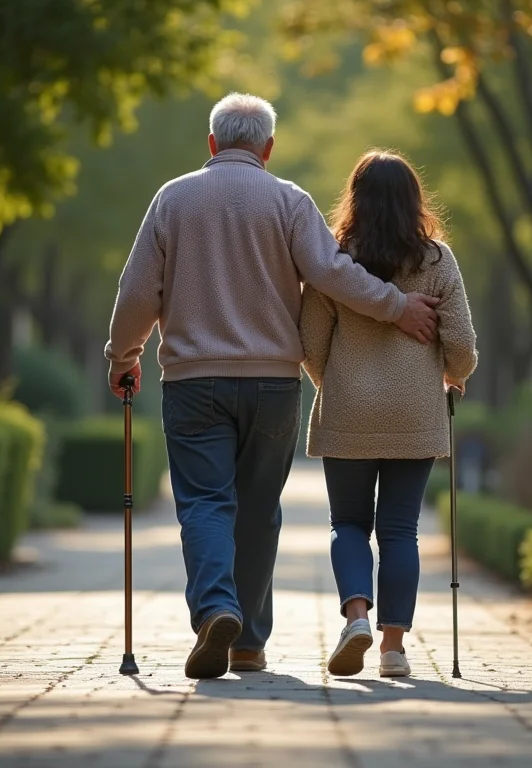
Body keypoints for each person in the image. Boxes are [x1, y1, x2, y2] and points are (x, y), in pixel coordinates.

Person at [105, 94, 441, 680]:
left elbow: (138, 292)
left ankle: (217, 608)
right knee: (258, 510)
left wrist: (122, 356)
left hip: (193, 380)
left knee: (207, 503)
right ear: (268, 147)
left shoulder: (172, 199)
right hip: (273, 386)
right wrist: (396, 307)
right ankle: (248, 644)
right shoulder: (289, 200)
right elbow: (333, 273)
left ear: (212, 144)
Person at [299, 150, 478, 678]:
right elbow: (462, 346)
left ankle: (356, 614)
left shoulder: (335, 262)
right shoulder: (437, 261)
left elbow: (310, 343)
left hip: (349, 408)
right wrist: (454, 373)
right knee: (400, 530)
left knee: (348, 524)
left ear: (355, 200)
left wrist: (334, 384)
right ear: (413, 201)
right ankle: (393, 650)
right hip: (416, 412)